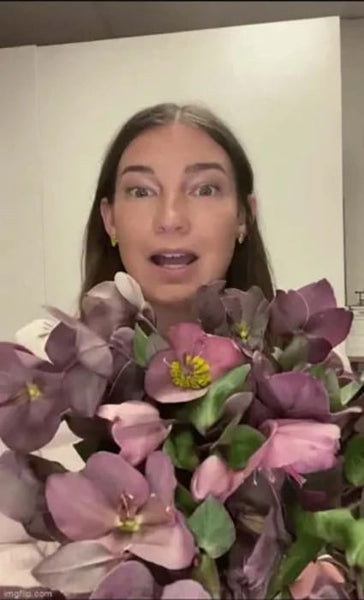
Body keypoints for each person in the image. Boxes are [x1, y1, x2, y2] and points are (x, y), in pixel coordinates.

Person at [80, 102, 274, 335]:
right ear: (110, 219)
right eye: (141, 192)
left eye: (205, 190)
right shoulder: (40, 362)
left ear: (243, 215)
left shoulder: (315, 368)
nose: (170, 219)